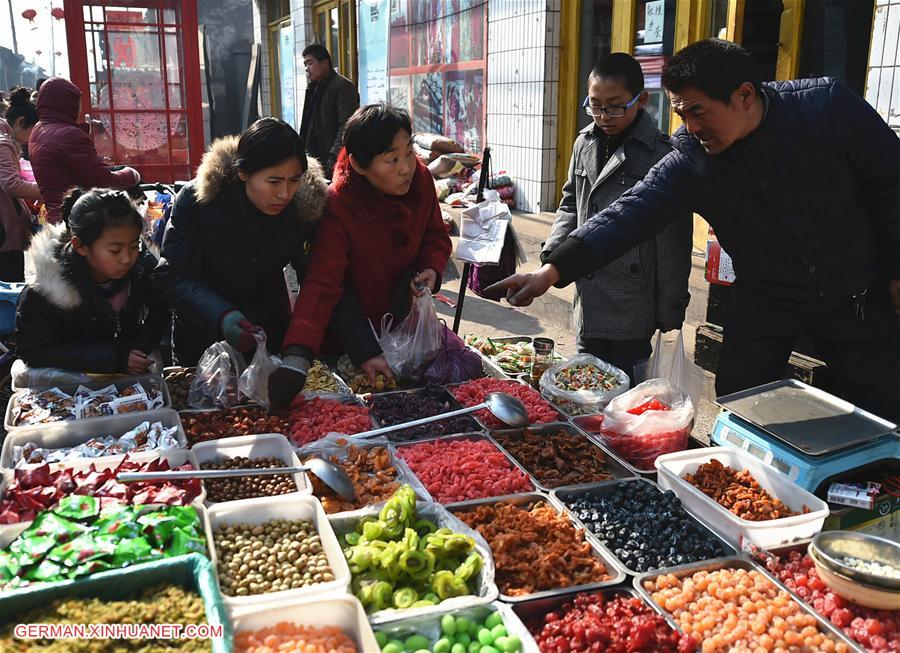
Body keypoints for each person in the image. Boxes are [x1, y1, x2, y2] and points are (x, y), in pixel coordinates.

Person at [488, 39, 900, 421]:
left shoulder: (826, 109)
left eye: (698, 111)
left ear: (744, 95)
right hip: (767, 295)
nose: (690, 126)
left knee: (882, 404)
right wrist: (551, 271)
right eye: (681, 113)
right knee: (741, 401)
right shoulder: (690, 157)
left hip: (856, 291)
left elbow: (892, 185)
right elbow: (628, 214)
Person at [154, 117, 377, 377]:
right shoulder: (199, 202)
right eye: (274, 181)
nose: (284, 193)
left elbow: (323, 280)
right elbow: (173, 275)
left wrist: (365, 350)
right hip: (202, 337)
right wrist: (222, 317)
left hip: (268, 334)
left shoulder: (301, 208)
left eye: (294, 180)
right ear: (243, 172)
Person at [272, 104, 452, 408]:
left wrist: (430, 268)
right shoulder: (339, 206)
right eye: (391, 159)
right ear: (358, 165)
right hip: (348, 342)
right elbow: (323, 284)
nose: (406, 167)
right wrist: (297, 357)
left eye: (408, 152)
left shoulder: (420, 179)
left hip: (398, 330)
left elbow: (435, 235)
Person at [543, 53, 692, 383]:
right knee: (583, 388)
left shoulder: (661, 154)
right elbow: (571, 204)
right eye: (595, 105)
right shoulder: (584, 142)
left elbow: (673, 243)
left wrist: (670, 309)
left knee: (624, 394)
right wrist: (553, 259)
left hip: (634, 303)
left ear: (642, 100)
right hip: (589, 291)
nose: (603, 116)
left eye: (614, 106)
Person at [15, 188, 168, 374]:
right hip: (68, 384)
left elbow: (159, 316)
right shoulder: (45, 289)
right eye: (115, 250)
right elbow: (33, 350)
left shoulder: (142, 271)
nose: (127, 258)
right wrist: (114, 358)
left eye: (134, 246)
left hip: (125, 375)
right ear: (80, 246)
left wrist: (137, 349)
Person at [28, 77, 140, 224]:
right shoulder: (68, 135)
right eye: (77, 104)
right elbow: (103, 181)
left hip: (55, 218)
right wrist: (132, 174)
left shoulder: (38, 129)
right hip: (79, 219)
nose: (80, 110)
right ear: (68, 105)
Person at [298, 44, 360, 178]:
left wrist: (334, 157)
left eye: (310, 63)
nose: (307, 69)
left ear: (325, 63)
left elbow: (346, 125)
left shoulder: (343, 87)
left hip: (333, 160)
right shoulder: (313, 88)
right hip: (314, 158)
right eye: (305, 64)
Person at [0, 87, 41, 281]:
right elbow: (12, 185)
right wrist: (46, 191)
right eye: (32, 131)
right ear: (21, 122)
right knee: (10, 284)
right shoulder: (3, 144)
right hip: (4, 231)